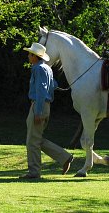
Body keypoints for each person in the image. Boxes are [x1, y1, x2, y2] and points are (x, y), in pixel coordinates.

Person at [19, 42, 73, 179]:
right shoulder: (46, 68)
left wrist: (37, 112)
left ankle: (34, 172)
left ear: (35, 56)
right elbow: (53, 84)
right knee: (35, 139)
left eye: (30, 54)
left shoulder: (38, 69)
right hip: (44, 105)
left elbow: (41, 90)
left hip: (39, 105)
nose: (28, 56)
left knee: (32, 141)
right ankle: (64, 157)